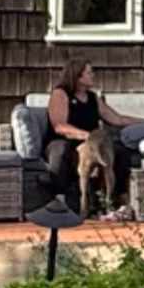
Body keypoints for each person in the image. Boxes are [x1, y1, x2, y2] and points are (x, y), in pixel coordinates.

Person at [43, 63, 119, 212]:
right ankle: (59, 197)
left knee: (120, 151)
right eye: (89, 73)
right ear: (77, 76)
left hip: (92, 143)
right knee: (60, 151)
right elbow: (59, 126)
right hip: (64, 140)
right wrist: (87, 136)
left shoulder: (92, 97)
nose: (93, 75)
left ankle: (110, 199)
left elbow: (117, 119)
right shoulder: (60, 94)